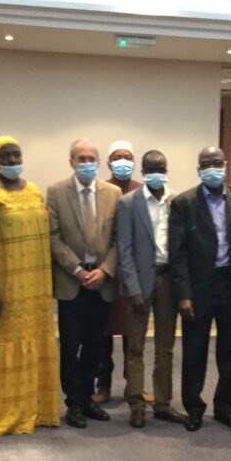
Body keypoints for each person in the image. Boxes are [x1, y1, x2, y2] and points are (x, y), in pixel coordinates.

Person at [0, 136, 60, 436]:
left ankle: (39, 410)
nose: (12, 160)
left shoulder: (34, 190)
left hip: (37, 285)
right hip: (7, 284)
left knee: (39, 340)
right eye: (5, 155)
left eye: (16, 155)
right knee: (9, 342)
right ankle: (11, 414)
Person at [168, 146, 231, 432]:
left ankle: (225, 408)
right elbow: (177, 253)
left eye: (217, 163)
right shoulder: (183, 203)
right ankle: (194, 408)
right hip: (198, 288)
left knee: (230, 351)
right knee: (194, 351)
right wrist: (183, 294)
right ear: (199, 170)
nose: (213, 168)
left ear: (226, 165)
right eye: (206, 164)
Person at [48, 138, 120, 429]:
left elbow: (119, 239)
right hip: (72, 281)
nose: (87, 163)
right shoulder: (56, 193)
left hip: (101, 282)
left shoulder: (113, 193)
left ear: (99, 162)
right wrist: (77, 270)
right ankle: (73, 402)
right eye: (82, 159)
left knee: (95, 345)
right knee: (70, 346)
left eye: (92, 158)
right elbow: (53, 238)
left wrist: (105, 270)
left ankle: (88, 398)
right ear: (72, 162)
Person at [116, 149, 187, 428]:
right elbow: (124, 249)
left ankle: (163, 403)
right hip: (139, 283)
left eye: (161, 169)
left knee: (165, 348)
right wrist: (133, 288)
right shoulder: (128, 203)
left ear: (166, 171)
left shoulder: (177, 200)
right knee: (135, 347)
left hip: (168, 281)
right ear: (143, 173)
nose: (157, 174)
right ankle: (136, 404)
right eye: (151, 169)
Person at [95, 140, 143, 405]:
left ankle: (133, 386)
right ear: (108, 162)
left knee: (132, 333)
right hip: (108, 273)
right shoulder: (100, 190)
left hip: (133, 273)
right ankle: (103, 385)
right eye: (117, 157)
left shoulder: (141, 190)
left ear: (134, 162)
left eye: (127, 157)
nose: (122, 161)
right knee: (104, 333)